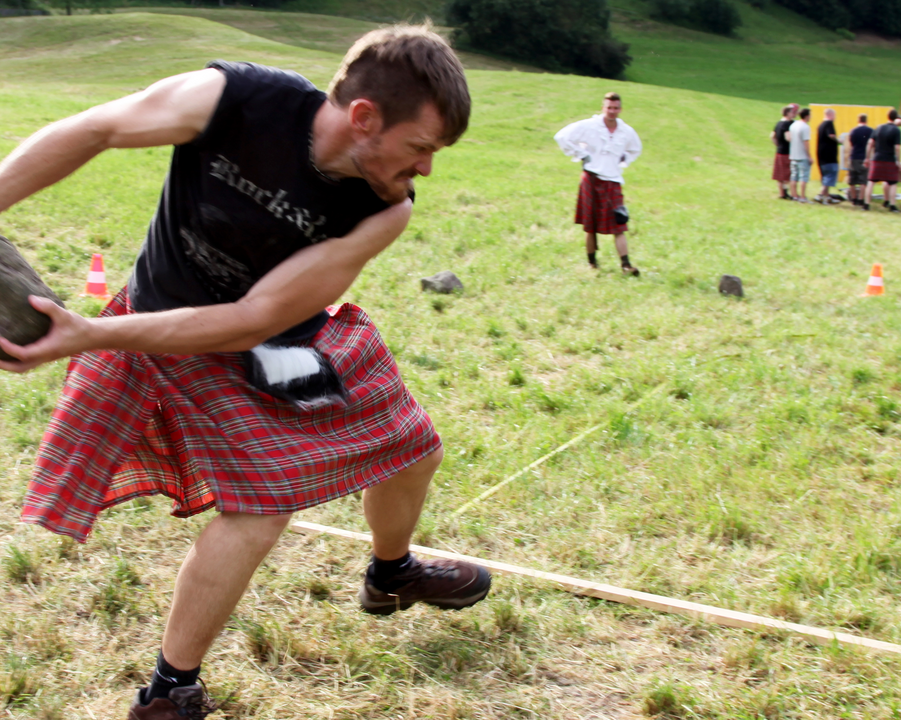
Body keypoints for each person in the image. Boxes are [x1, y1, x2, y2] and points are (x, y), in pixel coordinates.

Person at [0, 24, 493, 718]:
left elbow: (254, 318)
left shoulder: (384, 210)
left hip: (267, 338)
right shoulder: (232, 97)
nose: (427, 170)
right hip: (166, 320)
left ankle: (391, 573)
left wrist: (88, 335)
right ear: (364, 117)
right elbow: (97, 129)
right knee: (261, 508)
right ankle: (172, 691)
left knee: (413, 450)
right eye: (420, 148)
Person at [555, 91, 644, 276]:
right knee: (591, 224)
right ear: (603, 107)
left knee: (619, 224)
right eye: (609, 107)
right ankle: (592, 262)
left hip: (613, 181)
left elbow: (636, 148)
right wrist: (582, 154)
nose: (612, 111)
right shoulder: (590, 126)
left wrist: (623, 159)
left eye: (616, 108)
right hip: (592, 177)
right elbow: (562, 136)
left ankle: (626, 265)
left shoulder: (626, 131)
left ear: (620, 109)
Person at [864, 109, 901, 213]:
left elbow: (870, 143)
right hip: (890, 159)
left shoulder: (879, 128)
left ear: (887, 116)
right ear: (896, 118)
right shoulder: (897, 130)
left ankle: (866, 204)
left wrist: (867, 158)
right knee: (893, 183)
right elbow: (897, 148)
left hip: (877, 158)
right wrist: (898, 162)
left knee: (871, 182)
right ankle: (892, 206)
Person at [770, 103, 798, 199]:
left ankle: (782, 193)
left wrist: (778, 145)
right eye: (793, 112)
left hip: (779, 151)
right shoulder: (787, 124)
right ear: (788, 113)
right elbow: (788, 138)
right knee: (788, 174)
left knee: (780, 175)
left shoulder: (779, 123)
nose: (795, 114)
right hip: (787, 152)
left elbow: (772, 136)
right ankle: (791, 194)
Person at [845, 113, 873, 209]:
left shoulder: (853, 131)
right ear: (866, 120)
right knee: (863, 181)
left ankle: (854, 199)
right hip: (865, 157)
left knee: (852, 180)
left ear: (858, 120)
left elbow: (851, 142)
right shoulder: (870, 131)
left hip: (854, 156)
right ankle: (861, 199)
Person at [815, 108, 842, 204]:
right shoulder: (829, 123)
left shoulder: (820, 125)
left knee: (826, 176)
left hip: (821, 156)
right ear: (830, 115)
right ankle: (820, 195)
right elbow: (831, 135)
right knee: (830, 176)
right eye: (834, 115)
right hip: (829, 156)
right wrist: (839, 141)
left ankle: (827, 197)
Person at [785, 107, 812, 202]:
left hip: (793, 155)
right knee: (803, 177)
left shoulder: (793, 125)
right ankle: (803, 197)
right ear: (807, 116)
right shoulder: (805, 127)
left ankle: (794, 195)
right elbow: (806, 143)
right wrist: (809, 156)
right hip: (802, 156)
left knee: (793, 176)